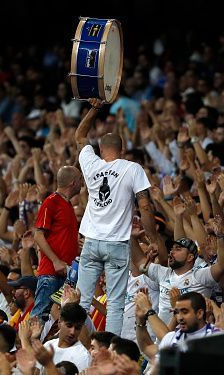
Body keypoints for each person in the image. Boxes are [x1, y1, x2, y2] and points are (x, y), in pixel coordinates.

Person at [74, 98, 157, 335]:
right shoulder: (132, 168)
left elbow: (79, 135)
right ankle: (109, 350)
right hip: (117, 245)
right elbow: (146, 206)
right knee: (116, 305)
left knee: (81, 301)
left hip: (91, 242)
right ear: (121, 151)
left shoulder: (91, 164)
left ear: (100, 150)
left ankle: (79, 345)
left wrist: (95, 108)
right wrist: (152, 239)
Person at [31, 166, 83, 320]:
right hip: (51, 273)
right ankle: (25, 344)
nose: (83, 183)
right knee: (39, 318)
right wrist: (55, 261)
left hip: (66, 275)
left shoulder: (67, 205)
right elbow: (38, 236)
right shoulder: (51, 202)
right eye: (80, 179)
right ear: (73, 183)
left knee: (58, 321)